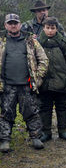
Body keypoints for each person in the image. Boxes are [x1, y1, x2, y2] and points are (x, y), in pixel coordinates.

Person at [22, 0, 66, 128]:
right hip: (39, 69)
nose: (43, 12)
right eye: (40, 10)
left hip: (58, 68)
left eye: (45, 10)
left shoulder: (57, 25)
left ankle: (65, 120)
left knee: (62, 100)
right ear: (35, 12)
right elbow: (22, 42)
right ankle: (38, 124)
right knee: (40, 101)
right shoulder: (28, 26)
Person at [0, 13, 48, 152]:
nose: (13, 25)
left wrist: (37, 79)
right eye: (10, 23)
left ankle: (36, 137)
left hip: (27, 85)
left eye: (15, 23)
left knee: (32, 112)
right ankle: (4, 140)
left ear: (20, 24)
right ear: (5, 25)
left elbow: (44, 60)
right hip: (7, 86)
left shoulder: (31, 41)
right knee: (5, 114)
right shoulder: (1, 41)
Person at [37, 17, 66, 142]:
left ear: (56, 29)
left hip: (62, 81)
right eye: (47, 28)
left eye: (52, 28)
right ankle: (46, 132)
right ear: (44, 28)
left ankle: (63, 130)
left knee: (62, 106)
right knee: (45, 107)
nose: (50, 31)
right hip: (44, 82)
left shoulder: (64, 42)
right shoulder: (38, 42)